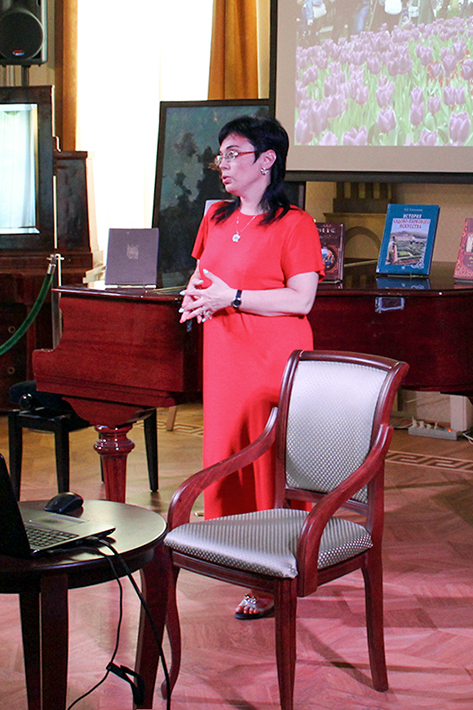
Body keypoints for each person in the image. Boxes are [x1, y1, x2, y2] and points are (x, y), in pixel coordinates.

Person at [179, 116, 323, 621]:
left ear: (266, 161)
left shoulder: (295, 224)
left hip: (272, 358)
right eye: (221, 154)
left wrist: (233, 296)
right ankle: (237, 559)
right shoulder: (215, 216)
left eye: (235, 153)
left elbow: (302, 298)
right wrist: (194, 297)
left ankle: (279, 568)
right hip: (223, 356)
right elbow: (202, 275)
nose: (224, 164)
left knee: (268, 459)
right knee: (225, 452)